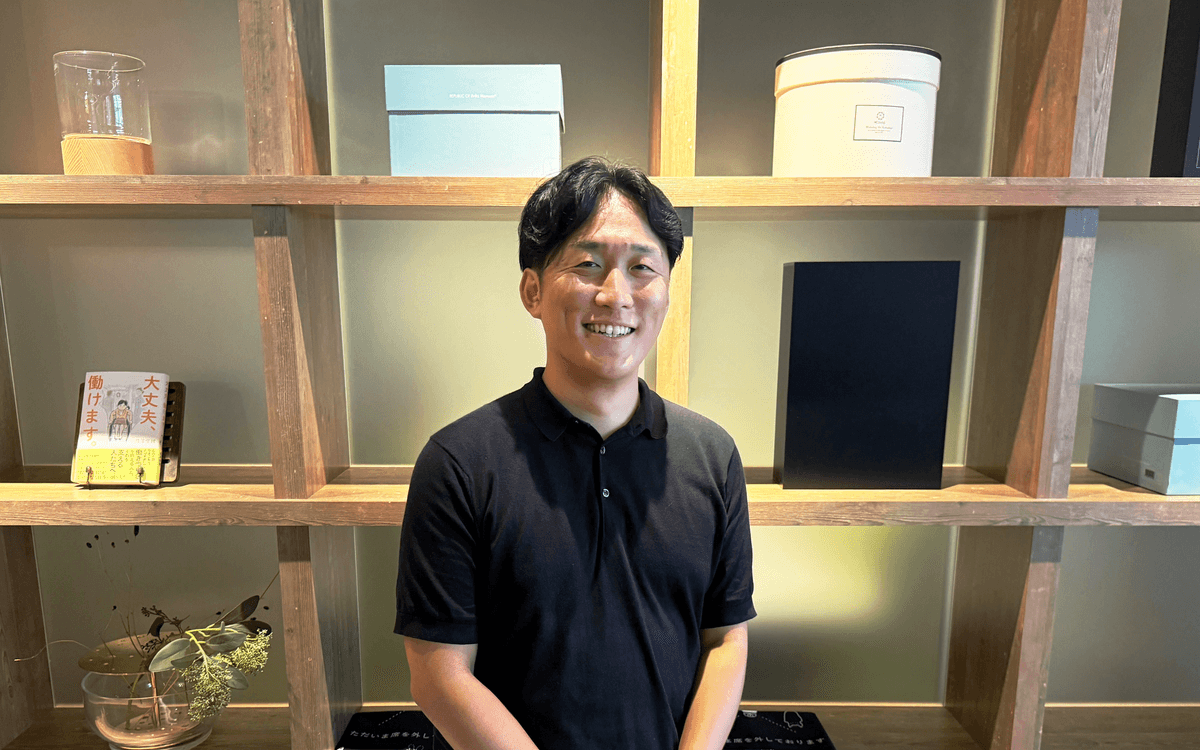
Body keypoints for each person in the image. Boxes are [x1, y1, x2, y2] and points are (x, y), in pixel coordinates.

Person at [395, 156, 755, 750]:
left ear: (667, 290)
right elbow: (438, 674)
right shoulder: (459, 462)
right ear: (532, 291)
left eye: (643, 268)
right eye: (587, 265)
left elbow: (726, 640)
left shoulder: (712, 456)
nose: (617, 296)